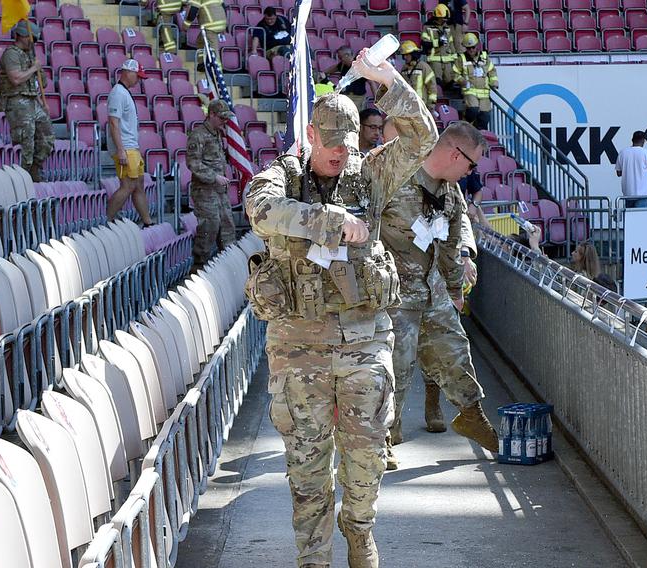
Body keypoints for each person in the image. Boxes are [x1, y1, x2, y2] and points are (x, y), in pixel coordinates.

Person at [245, 51, 437, 568]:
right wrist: (326, 220)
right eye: (329, 144)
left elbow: (423, 140)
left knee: (368, 454)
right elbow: (262, 212)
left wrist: (388, 81)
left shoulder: (368, 176)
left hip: (364, 338)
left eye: (347, 145)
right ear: (310, 135)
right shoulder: (279, 177)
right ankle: (313, 558)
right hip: (298, 346)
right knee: (306, 466)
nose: (339, 154)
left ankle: (359, 527)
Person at [379, 121, 501, 471]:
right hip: (395, 292)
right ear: (453, 154)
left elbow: (449, 242)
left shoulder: (450, 192)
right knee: (396, 369)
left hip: (431, 288)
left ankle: (472, 415)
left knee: (454, 349)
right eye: (471, 164)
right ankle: (383, 438)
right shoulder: (396, 176)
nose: (472, 172)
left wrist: (453, 288)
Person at [0, 21, 54, 182]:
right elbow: (15, 79)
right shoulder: (11, 54)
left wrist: (41, 101)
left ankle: (35, 168)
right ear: (22, 35)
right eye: (31, 38)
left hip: (31, 99)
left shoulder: (30, 56)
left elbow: (41, 83)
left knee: (47, 136)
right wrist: (33, 69)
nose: (33, 41)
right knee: (25, 141)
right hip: (16, 100)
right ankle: (23, 176)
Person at [187, 99, 236, 265]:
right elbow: (193, 163)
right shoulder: (198, 135)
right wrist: (214, 177)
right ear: (211, 115)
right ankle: (199, 268)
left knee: (227, 227)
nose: (224, 121)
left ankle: (229, 266)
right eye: (221, 118)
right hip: (204, 191)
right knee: (209, 227)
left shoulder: (218, 134)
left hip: (219, 191)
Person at [105, 59, 154, 226]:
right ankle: (106, 221)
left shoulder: (123, 92)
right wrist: (121, 150)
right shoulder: (118, 93)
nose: (139, 80)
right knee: (128, 185)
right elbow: (113, 122)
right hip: (126, 147)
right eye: (138, 76)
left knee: (138, 184)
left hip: (131, 146)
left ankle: (147, 221)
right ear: (128, 72)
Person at [452, 33, 497, 130]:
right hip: (470, 91)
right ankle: (466, 127)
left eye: (473, 47)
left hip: (484, 92)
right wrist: (463, 81)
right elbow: (454, 74)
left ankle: (481, 135)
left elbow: (492, 70)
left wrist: (494, 82)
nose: (471, 50)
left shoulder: (484, 57)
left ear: (477, 46)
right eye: (468, 48)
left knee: (485, 116)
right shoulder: (461, 59)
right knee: (473, 110)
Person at [615, 130, 647, 208]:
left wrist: (629, 169)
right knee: (641, 218)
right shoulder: (646, 153)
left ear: (632, 140)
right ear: (644, 140)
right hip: (642, 195)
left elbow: (618, 173)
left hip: (628, 194)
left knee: (630, 219)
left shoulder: (623, 153)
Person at [320, 47, 367, 111]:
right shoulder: (342, 65)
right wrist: (323, 73)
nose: (341, 59)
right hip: (345, 96)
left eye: (341, 57)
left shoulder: (360, 66)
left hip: (358, 98)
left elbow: (371, 82)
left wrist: (376, 97)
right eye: (339, 57)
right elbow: (331, 69)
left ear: (347, 55)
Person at [422, 4, 458, 88]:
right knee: (437, 81)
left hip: (447, 60)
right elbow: (425, 43)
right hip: (435, 59)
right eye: (443, 18)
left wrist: (455, 58)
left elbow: (451, 43)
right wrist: (437, 43)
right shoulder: (427, 27)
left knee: (450, 81)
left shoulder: (447, 28)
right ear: (438, 17)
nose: (445, 20)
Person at [398, 41, 438, 114]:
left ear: (413, 54)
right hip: (408, 107)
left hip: (422, 106)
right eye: (403, 55)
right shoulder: (404, 69)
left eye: (407, 55)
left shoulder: (423, 67)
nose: (405, 57)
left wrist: (431, 105)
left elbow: (432, 87)